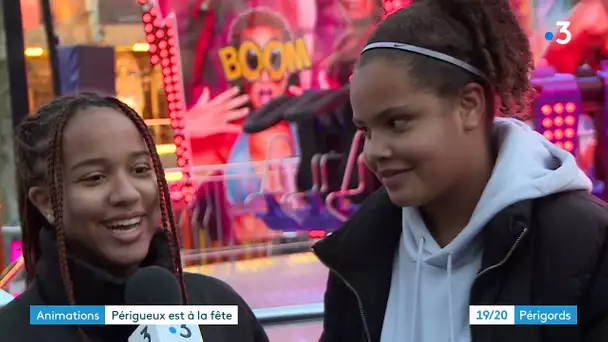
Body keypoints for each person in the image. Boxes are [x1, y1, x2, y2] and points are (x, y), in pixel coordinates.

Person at [312, 1, 608, 342]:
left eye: (397, 122)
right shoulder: (358, 254)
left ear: (470, 105)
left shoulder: (584, 244)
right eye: (366, 130)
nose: (374, 153)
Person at [0, 93, 269, 342]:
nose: (127, 194)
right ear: (46, 203)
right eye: (95, 177)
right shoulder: (13, 332)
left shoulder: (218, 307)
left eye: (140, 169)